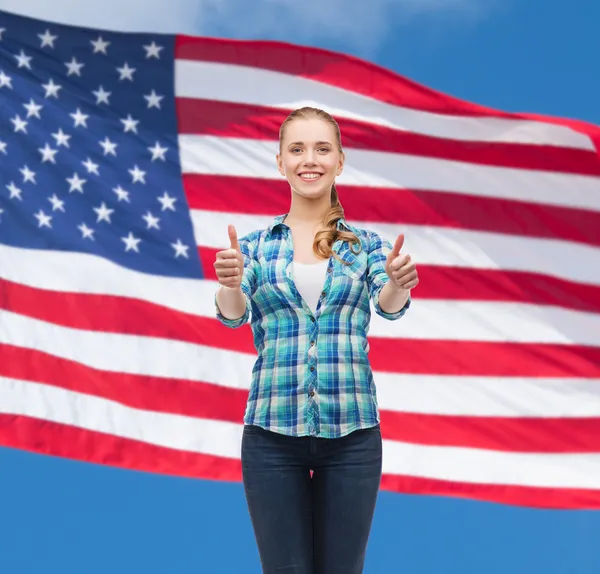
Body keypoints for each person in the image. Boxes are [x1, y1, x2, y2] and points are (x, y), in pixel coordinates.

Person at [213, 106, 418, 574]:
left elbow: (387, 303)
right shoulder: (254, 247)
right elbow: (233, 314)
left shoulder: (365, 245)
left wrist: (399, 281)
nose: (311, 159)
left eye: (322, 148)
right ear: (280, 162)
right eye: (298, 149)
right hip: (271, 435)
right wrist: (229, 282)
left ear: (340, 161)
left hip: (352, 436)